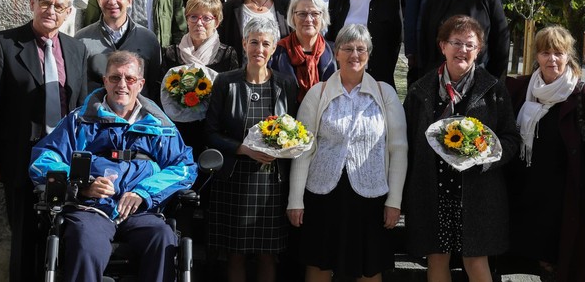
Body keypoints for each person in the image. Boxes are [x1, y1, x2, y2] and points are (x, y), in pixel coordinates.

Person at [28, 50, 197, 282]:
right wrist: (82, 184)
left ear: (141, 84)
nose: (122, 85)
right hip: (91, 209)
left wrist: (144, 192)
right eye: (115, 78)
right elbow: (43, 160)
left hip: (141, 211)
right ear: (105, 81)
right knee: (84, 240)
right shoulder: (80, 121)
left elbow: (184, 167)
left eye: (130, 79)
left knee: (162, 238)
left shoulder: (160, 126)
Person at [0, 0, 88, 281]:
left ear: (67, 13)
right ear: (32, 4)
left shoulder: (76, 49)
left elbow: (80, 107)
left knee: (64, 235)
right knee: (24, 237)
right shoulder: (5, 44)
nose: (51, 10)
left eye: (59, 6)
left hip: (64, 157)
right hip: (20, 156)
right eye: (45, 3)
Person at [403, 15, 519, 282]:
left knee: (476, 260)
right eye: (456, 43)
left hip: (477, 193)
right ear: (442, 46)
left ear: (479, 50)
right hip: (433, 191)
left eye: (470, 44)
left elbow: (511, 138)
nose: (462, 50)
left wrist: (485, 157)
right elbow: (408, 143)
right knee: (436, 258)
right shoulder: (420, 90)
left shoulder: (494, 90)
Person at [287, 24, 407, 281]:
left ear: (369, 54)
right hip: (323, 194)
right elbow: (302, 149)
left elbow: (398, 149)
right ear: (336, 53)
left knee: (369, 267)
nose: (354, 54)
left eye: (361, 49)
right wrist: (295, 199)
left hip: (371, 195)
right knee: (318, 264)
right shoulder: (317, 93)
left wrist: (394, 201)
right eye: (348, 48)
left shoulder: (386, 94)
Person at [503, 26, 585, 281]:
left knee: (556, 264)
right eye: (546, 52)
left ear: (568, 56)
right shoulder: (519, 89)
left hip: (562, 199)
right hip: (523, 195)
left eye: (558, 53)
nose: (552, 59)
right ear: (536, 56)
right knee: (520, 264)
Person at [204, 18, 298, 282]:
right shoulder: (225, 82)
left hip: (271, 182)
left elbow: (294, 131)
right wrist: (243, 149)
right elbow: (210, 133)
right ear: (244, 44)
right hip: (235, 180)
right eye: (254, 42)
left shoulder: (285, 85)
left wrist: (284, 149)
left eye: (265, 43)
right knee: (236, 253)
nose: (259, 48)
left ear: (274, 48)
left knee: (268, 254)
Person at [161, 0, 238, 152]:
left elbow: (232, 98)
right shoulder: (171, 53)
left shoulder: (227, 55)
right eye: (193, 17)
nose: (199, 23)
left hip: (213, 132)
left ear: (216, 21)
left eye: (206, 18)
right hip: (177, 131)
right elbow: (161, 95)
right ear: (187, 19)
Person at [76, 0, 162, 99]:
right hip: (95, 115)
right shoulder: (82, 39)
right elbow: (77, 86)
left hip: (137, 115)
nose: (112, 1)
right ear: (98, 0)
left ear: (129, 0)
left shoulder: (148, 39)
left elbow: (154, 83)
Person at [270, 0, 337, 102]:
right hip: (287, 117)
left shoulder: (335, 52)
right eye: (302, 14)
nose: (308, 19)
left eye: (315, 14)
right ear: (293, 17)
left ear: (323, 16)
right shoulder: (277, 52)